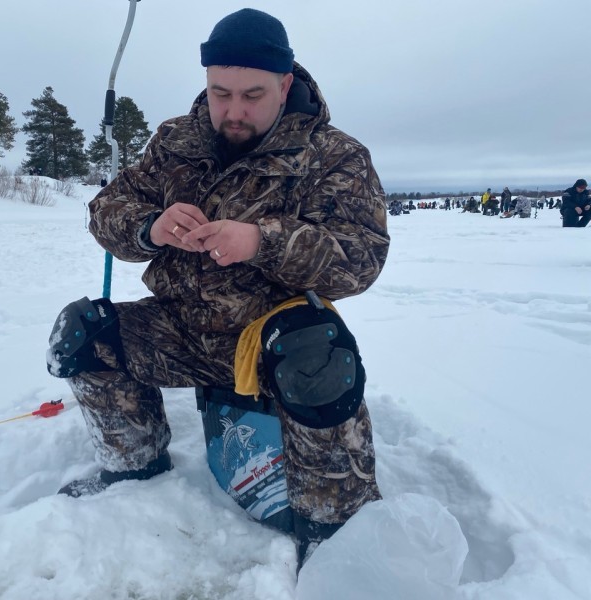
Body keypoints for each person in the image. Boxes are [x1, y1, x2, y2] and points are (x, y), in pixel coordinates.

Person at [46, 8, 389, 570]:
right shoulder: (175, 141)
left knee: (319, 360)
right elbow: (107, 208)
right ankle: (134, 467)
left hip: (273, 339)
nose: (232, 110)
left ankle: (332, 528)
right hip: (179, 327)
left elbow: (363, 257)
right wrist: (149, 228)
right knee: (83, 333)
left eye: (252, 94)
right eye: (219, 92)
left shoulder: (335, 156)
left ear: (285, 84)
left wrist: (262, 241)